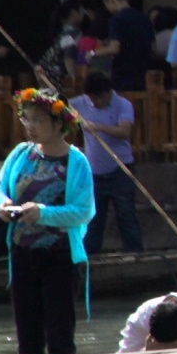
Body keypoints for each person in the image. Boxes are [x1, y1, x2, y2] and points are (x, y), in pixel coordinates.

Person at [0, 87, 95, 354]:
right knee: (28, 339)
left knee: (60, 337)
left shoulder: (76, 162)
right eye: (26, 119)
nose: (29, 127)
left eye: (36, 120)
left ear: (57, 123)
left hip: (60, 258)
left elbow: (83, 211)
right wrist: (2, 205)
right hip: (22, 256)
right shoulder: (22, 154)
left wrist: (43, 213)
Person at [70, 71, 142, 256]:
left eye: (96, 99)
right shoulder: (80, 103)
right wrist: (41, 78)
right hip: (93, 172)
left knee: (126, 216)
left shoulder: (122, 104)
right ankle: (89, 259)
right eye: (90, 98)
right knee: (93, 219)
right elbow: (54, 105)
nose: (93, 103)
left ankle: (136, 256)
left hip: (121, 169)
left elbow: (124, 131)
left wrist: (98, 127)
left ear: (105, 94)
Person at [83, 0, 155, 92]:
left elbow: (114, 48)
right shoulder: (144, 18)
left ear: (111, 1)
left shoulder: (116, 20)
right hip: (144, 72)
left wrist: (93, 53)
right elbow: (152, 46)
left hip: (123, 74)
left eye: (106, 5)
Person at [36, 0, 84, 91]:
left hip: (46, 76)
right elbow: (68, 59)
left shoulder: (61, 30)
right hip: (57, 80)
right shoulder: (73, 33)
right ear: (73, 13)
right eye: (81, 9)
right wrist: (74, 83)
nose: (84, 12)